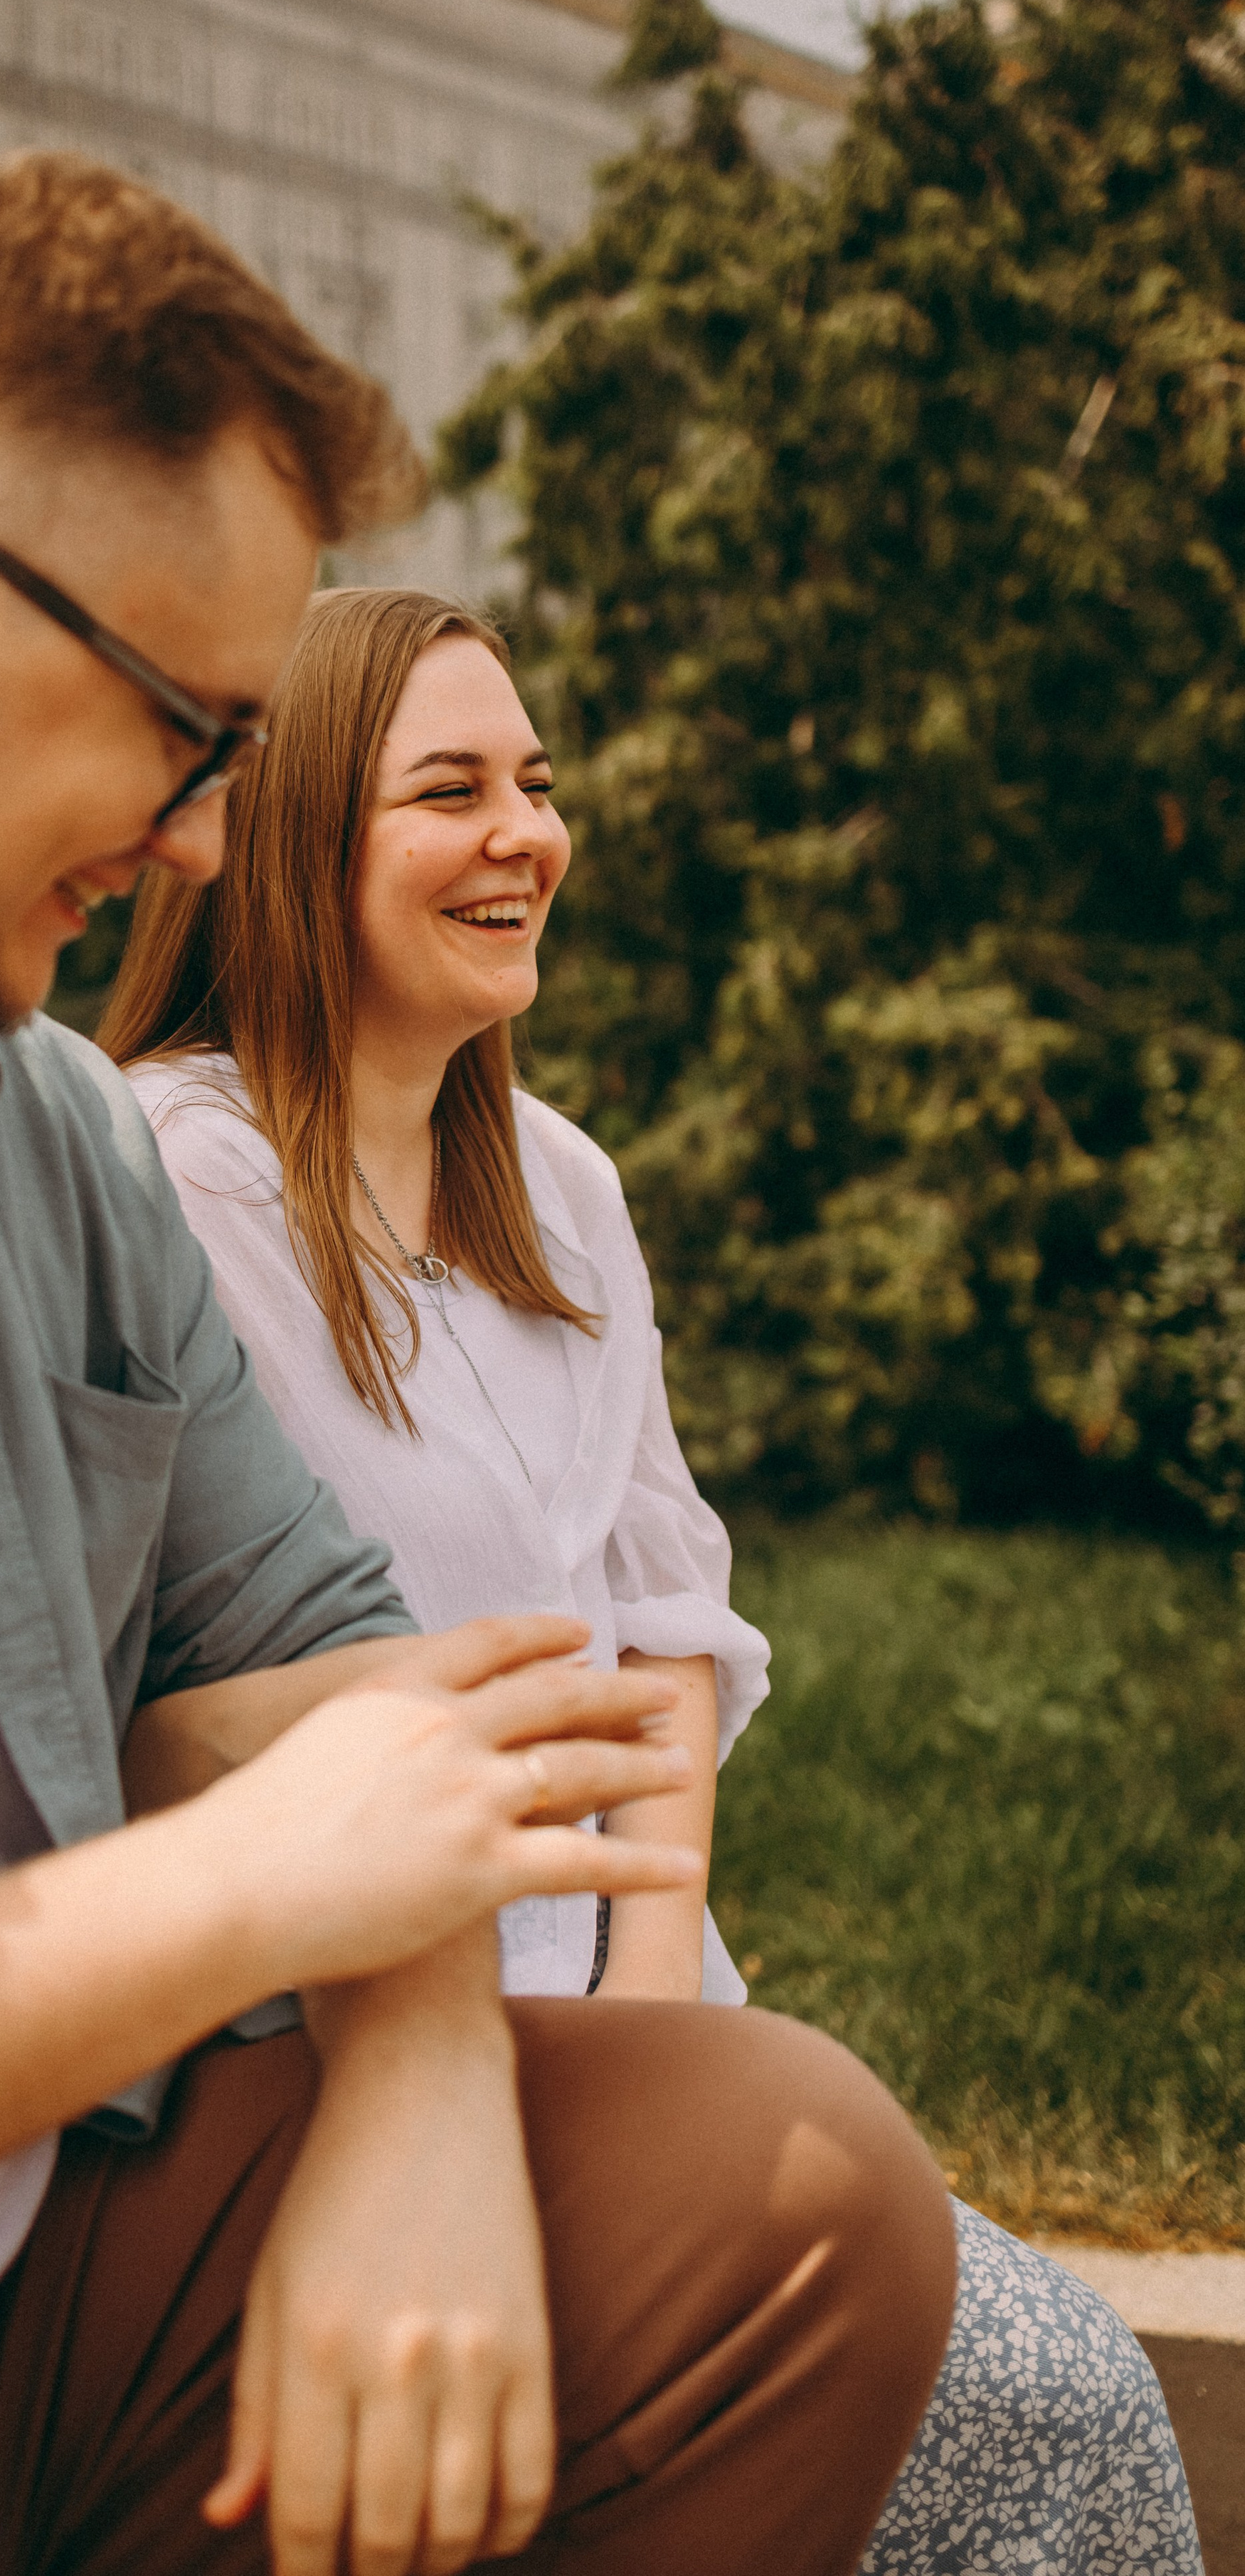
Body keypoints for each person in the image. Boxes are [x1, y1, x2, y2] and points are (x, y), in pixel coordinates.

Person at [0, 157, 957, 2576]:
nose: (201, 846)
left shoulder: (33, 1124)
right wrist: (239, 1903)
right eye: (187, 733)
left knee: (798, 2195)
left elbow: (337, 1656)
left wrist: (424, 2078)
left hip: (42, 2292)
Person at [102, 582, 1206, 2576]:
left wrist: (649, 2003)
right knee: (1035, 2400)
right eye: (450, 791)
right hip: (321, 2076)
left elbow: (666, 1636)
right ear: (290, 845)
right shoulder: (167, 1184)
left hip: (631, 2017)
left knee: (1063, 2399)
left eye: (536, 781)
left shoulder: (570, 1192)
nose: (529, 834)